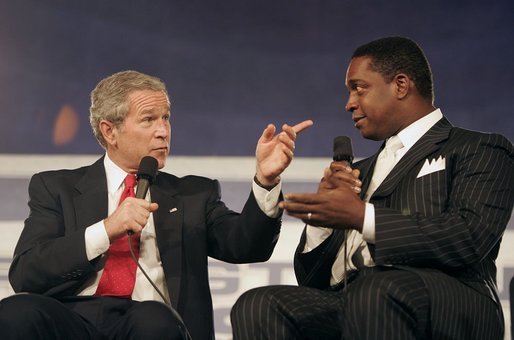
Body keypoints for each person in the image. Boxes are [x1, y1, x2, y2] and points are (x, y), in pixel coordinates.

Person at [230, 36, 514, 339]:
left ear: (401, 86)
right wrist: (321, 224)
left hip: (450, 305)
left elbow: (468, 237)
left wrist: (362, 216)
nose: (349, 103)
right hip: (359, 302)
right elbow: (313, 283)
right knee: (258, 305)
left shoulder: (480, 148)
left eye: (359, 87)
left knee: (375, 290)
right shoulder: (358, 173)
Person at [0, 70, 313, 339]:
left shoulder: (192, 194)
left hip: (151, 322)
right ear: (110, 131)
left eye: (166, 118)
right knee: (17, 311)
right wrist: (106, 230)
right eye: (148, 120)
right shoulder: (57, 188)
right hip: (74, 321)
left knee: (153, 319)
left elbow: (247, 247)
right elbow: (26, 274)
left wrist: (266, 180)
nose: (163, 131)